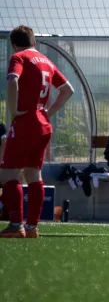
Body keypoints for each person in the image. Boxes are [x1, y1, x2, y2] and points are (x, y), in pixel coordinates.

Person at [0, 25, 75, 238]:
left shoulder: (18, 58)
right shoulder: (45, 60)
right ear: (34, 42)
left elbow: (13, 80)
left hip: (25, 123)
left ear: (13, 44)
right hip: (43, 125)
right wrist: (48, 112)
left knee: (7, 175)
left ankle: (16, 226)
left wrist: (14, 110)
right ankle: (32, 227)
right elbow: (68, 90)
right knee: (34, 174)